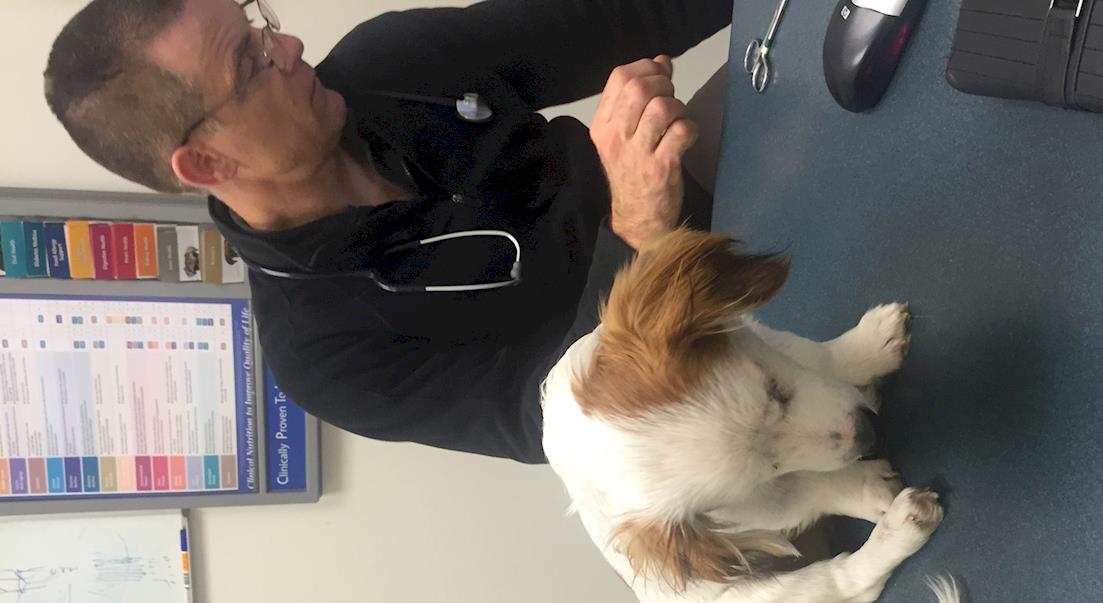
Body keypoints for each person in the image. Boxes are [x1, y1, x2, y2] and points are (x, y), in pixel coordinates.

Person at [45, 0, 732, 463]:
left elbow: (616, 15)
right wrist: (638, 229)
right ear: (207, 164)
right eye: (251, 63)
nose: (289, 47)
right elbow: (564, 423)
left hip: (707, 180)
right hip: (698, 371)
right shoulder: (322, 356)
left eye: (257, 24)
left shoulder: (386, 65)